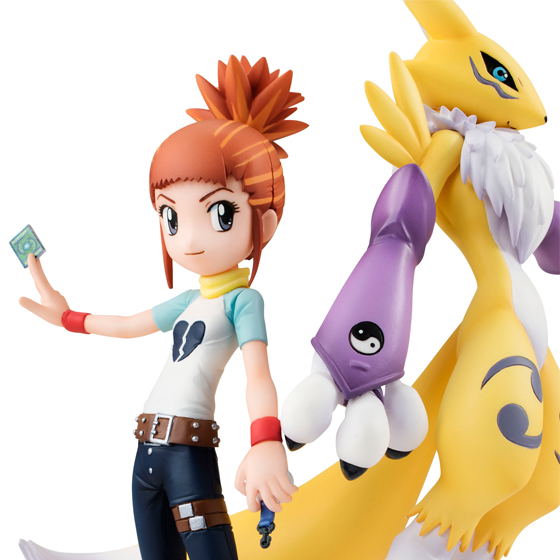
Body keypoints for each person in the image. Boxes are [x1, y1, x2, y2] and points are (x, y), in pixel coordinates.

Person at [19, 55, 307, 560]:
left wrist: (265, 440)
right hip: (145, 451)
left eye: (220, 212)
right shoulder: (189, 300)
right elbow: (128, 325)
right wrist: (67, 317)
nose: (188, 239)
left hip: (189, 453)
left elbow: (258, 376)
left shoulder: (243, 301)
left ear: (261, 226)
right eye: (171, 218)